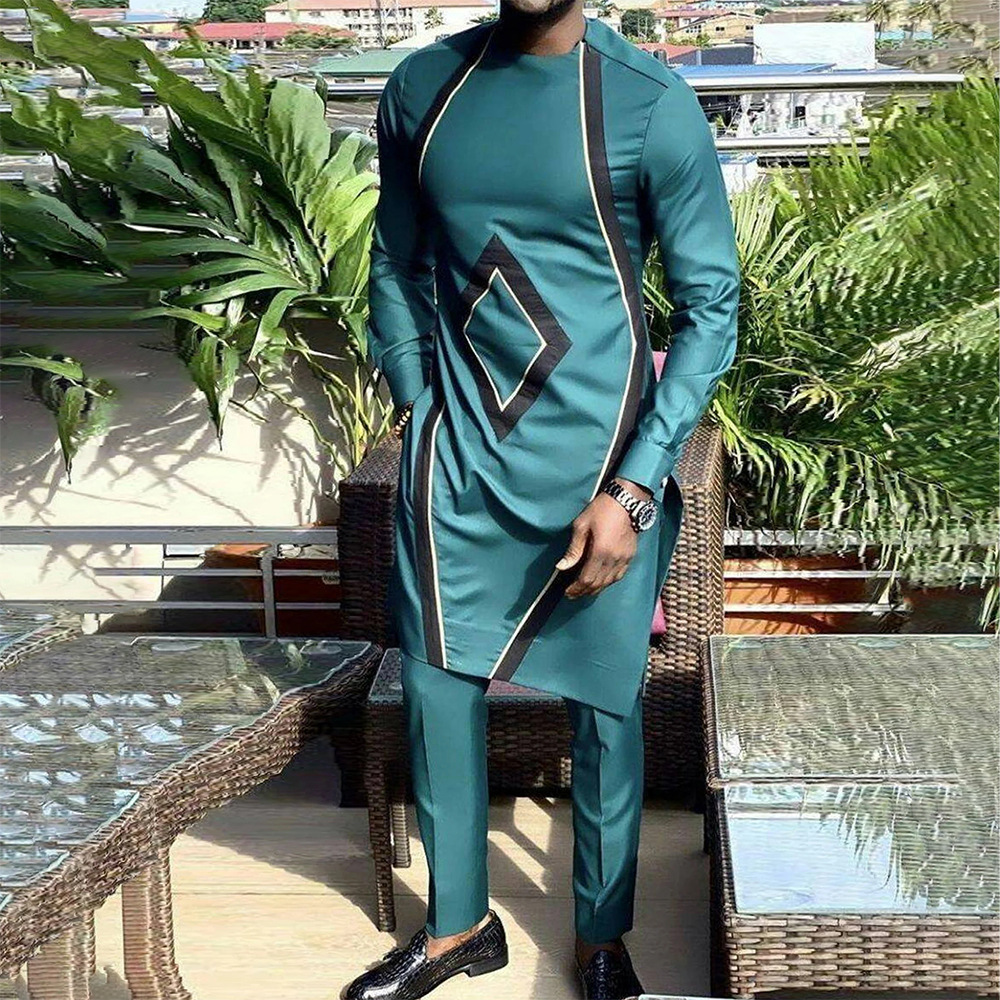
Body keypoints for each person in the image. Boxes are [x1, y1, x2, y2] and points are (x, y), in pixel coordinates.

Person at [343, 0, 740, 995]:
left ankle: (601, 937)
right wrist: (416, 403)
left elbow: (711, 307)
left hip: (601, 465)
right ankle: (457, 927)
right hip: (455, 451)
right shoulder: (423, 87)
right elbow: (393, 261)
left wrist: (636, 485)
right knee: (437, 682)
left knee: (605, 705)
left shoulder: (648, 103)